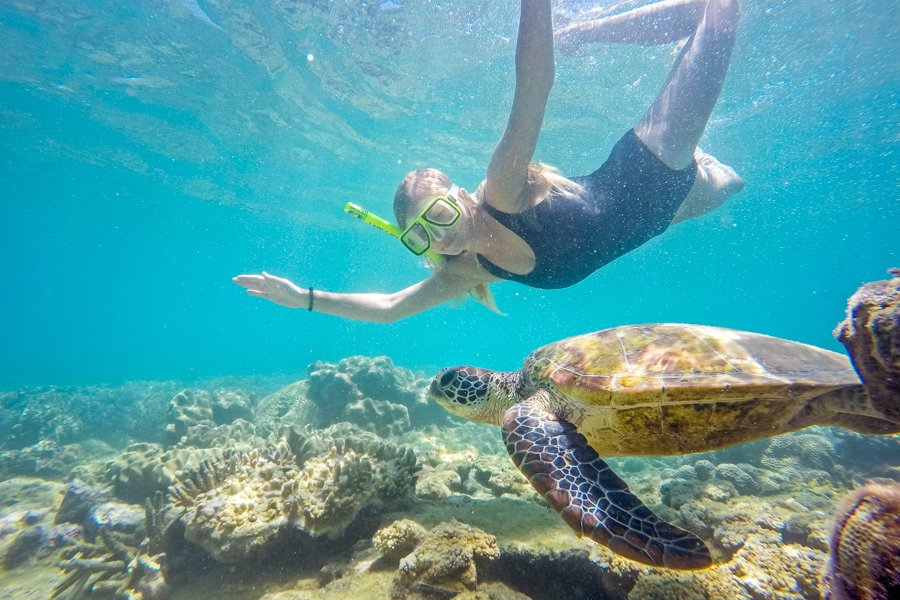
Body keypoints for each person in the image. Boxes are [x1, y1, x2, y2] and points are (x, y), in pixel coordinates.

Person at [234, 0, 744, 322]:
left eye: (440, 215)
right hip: (671, 210)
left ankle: (584, 32)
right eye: (421, 235)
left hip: (651, 165)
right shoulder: (466, 271)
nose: (439, 237)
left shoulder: (503, 190)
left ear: (460, 197)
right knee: (737, 182)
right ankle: (601, 34)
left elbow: (535, 86)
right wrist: (302, 297)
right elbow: (390, 308)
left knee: (720, 17)